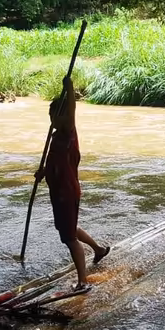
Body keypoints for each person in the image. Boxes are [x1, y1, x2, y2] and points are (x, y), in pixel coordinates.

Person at [36, 75, 110, 290]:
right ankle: (98, 250)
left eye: (53, 116)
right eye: (50, 116)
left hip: (66, 192)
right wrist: (43, 172)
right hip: (59, 192)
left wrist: (69, 89)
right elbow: (56, 162)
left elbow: (72, 114)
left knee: (69, 239)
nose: (51, 120)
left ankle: (83, 282)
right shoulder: (57, 136)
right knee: (69, 229)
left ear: (61, 117)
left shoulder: (69, 133)